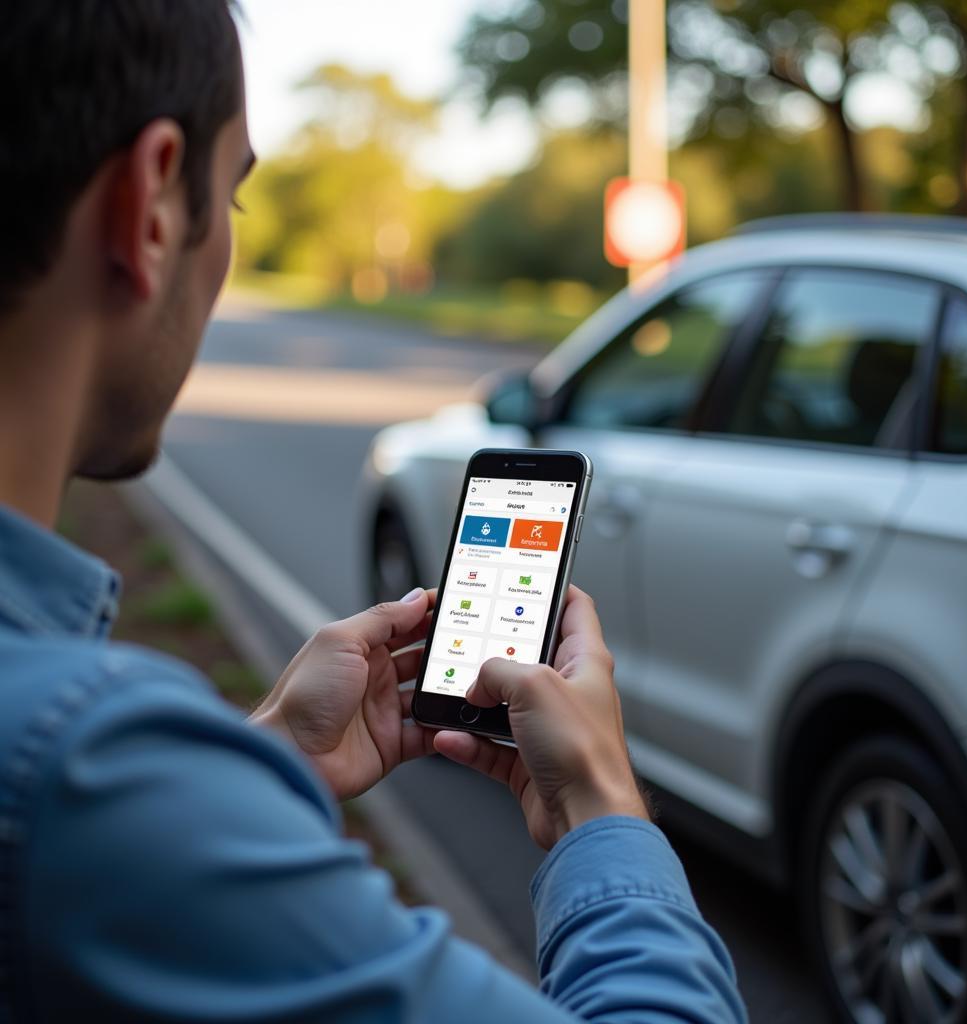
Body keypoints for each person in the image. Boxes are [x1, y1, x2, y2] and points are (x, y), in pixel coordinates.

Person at [0, 3, 747, 1021]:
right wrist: (598, 810)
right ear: (153, 207)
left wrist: (264, 761)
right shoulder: (80, 774)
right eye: (236, 200)